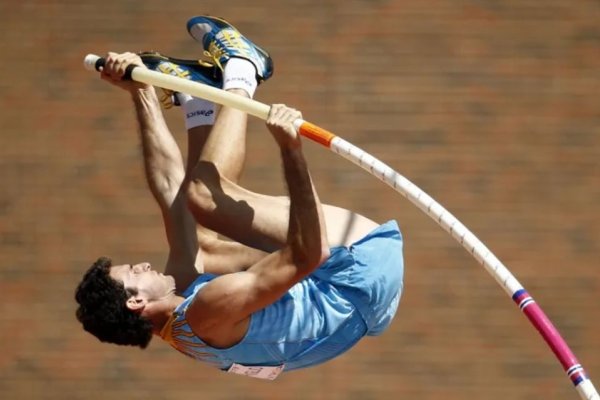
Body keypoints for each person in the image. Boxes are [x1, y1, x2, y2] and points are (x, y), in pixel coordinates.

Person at [75, 15, 404, 379]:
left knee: (196, 243)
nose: (140, 263)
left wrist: (143, 92)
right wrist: (290, 149)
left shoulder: (181, 321)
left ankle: (197, 102)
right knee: (204, 198)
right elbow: (310, 254)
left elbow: (169, 187)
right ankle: (243, 71)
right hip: (359, 269)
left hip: (365, 303)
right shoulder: (209, 310)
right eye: (133, 272)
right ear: (136, 301)